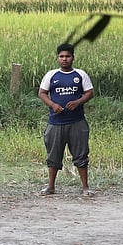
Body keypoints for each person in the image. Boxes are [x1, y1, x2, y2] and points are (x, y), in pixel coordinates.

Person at [38, 42, 95, 197]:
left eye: (67, 56)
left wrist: (78, 102)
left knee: (81, 155)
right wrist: (53, 105)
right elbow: (42, 93)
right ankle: (50, 187)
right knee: (53, 155)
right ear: (57, 58)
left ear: (73, 58)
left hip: (77, 122)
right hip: (55, 123)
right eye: (61, 56)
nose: (64, 59)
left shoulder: (80, 75)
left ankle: (85, 187)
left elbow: (89, 93)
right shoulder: (51, 75)